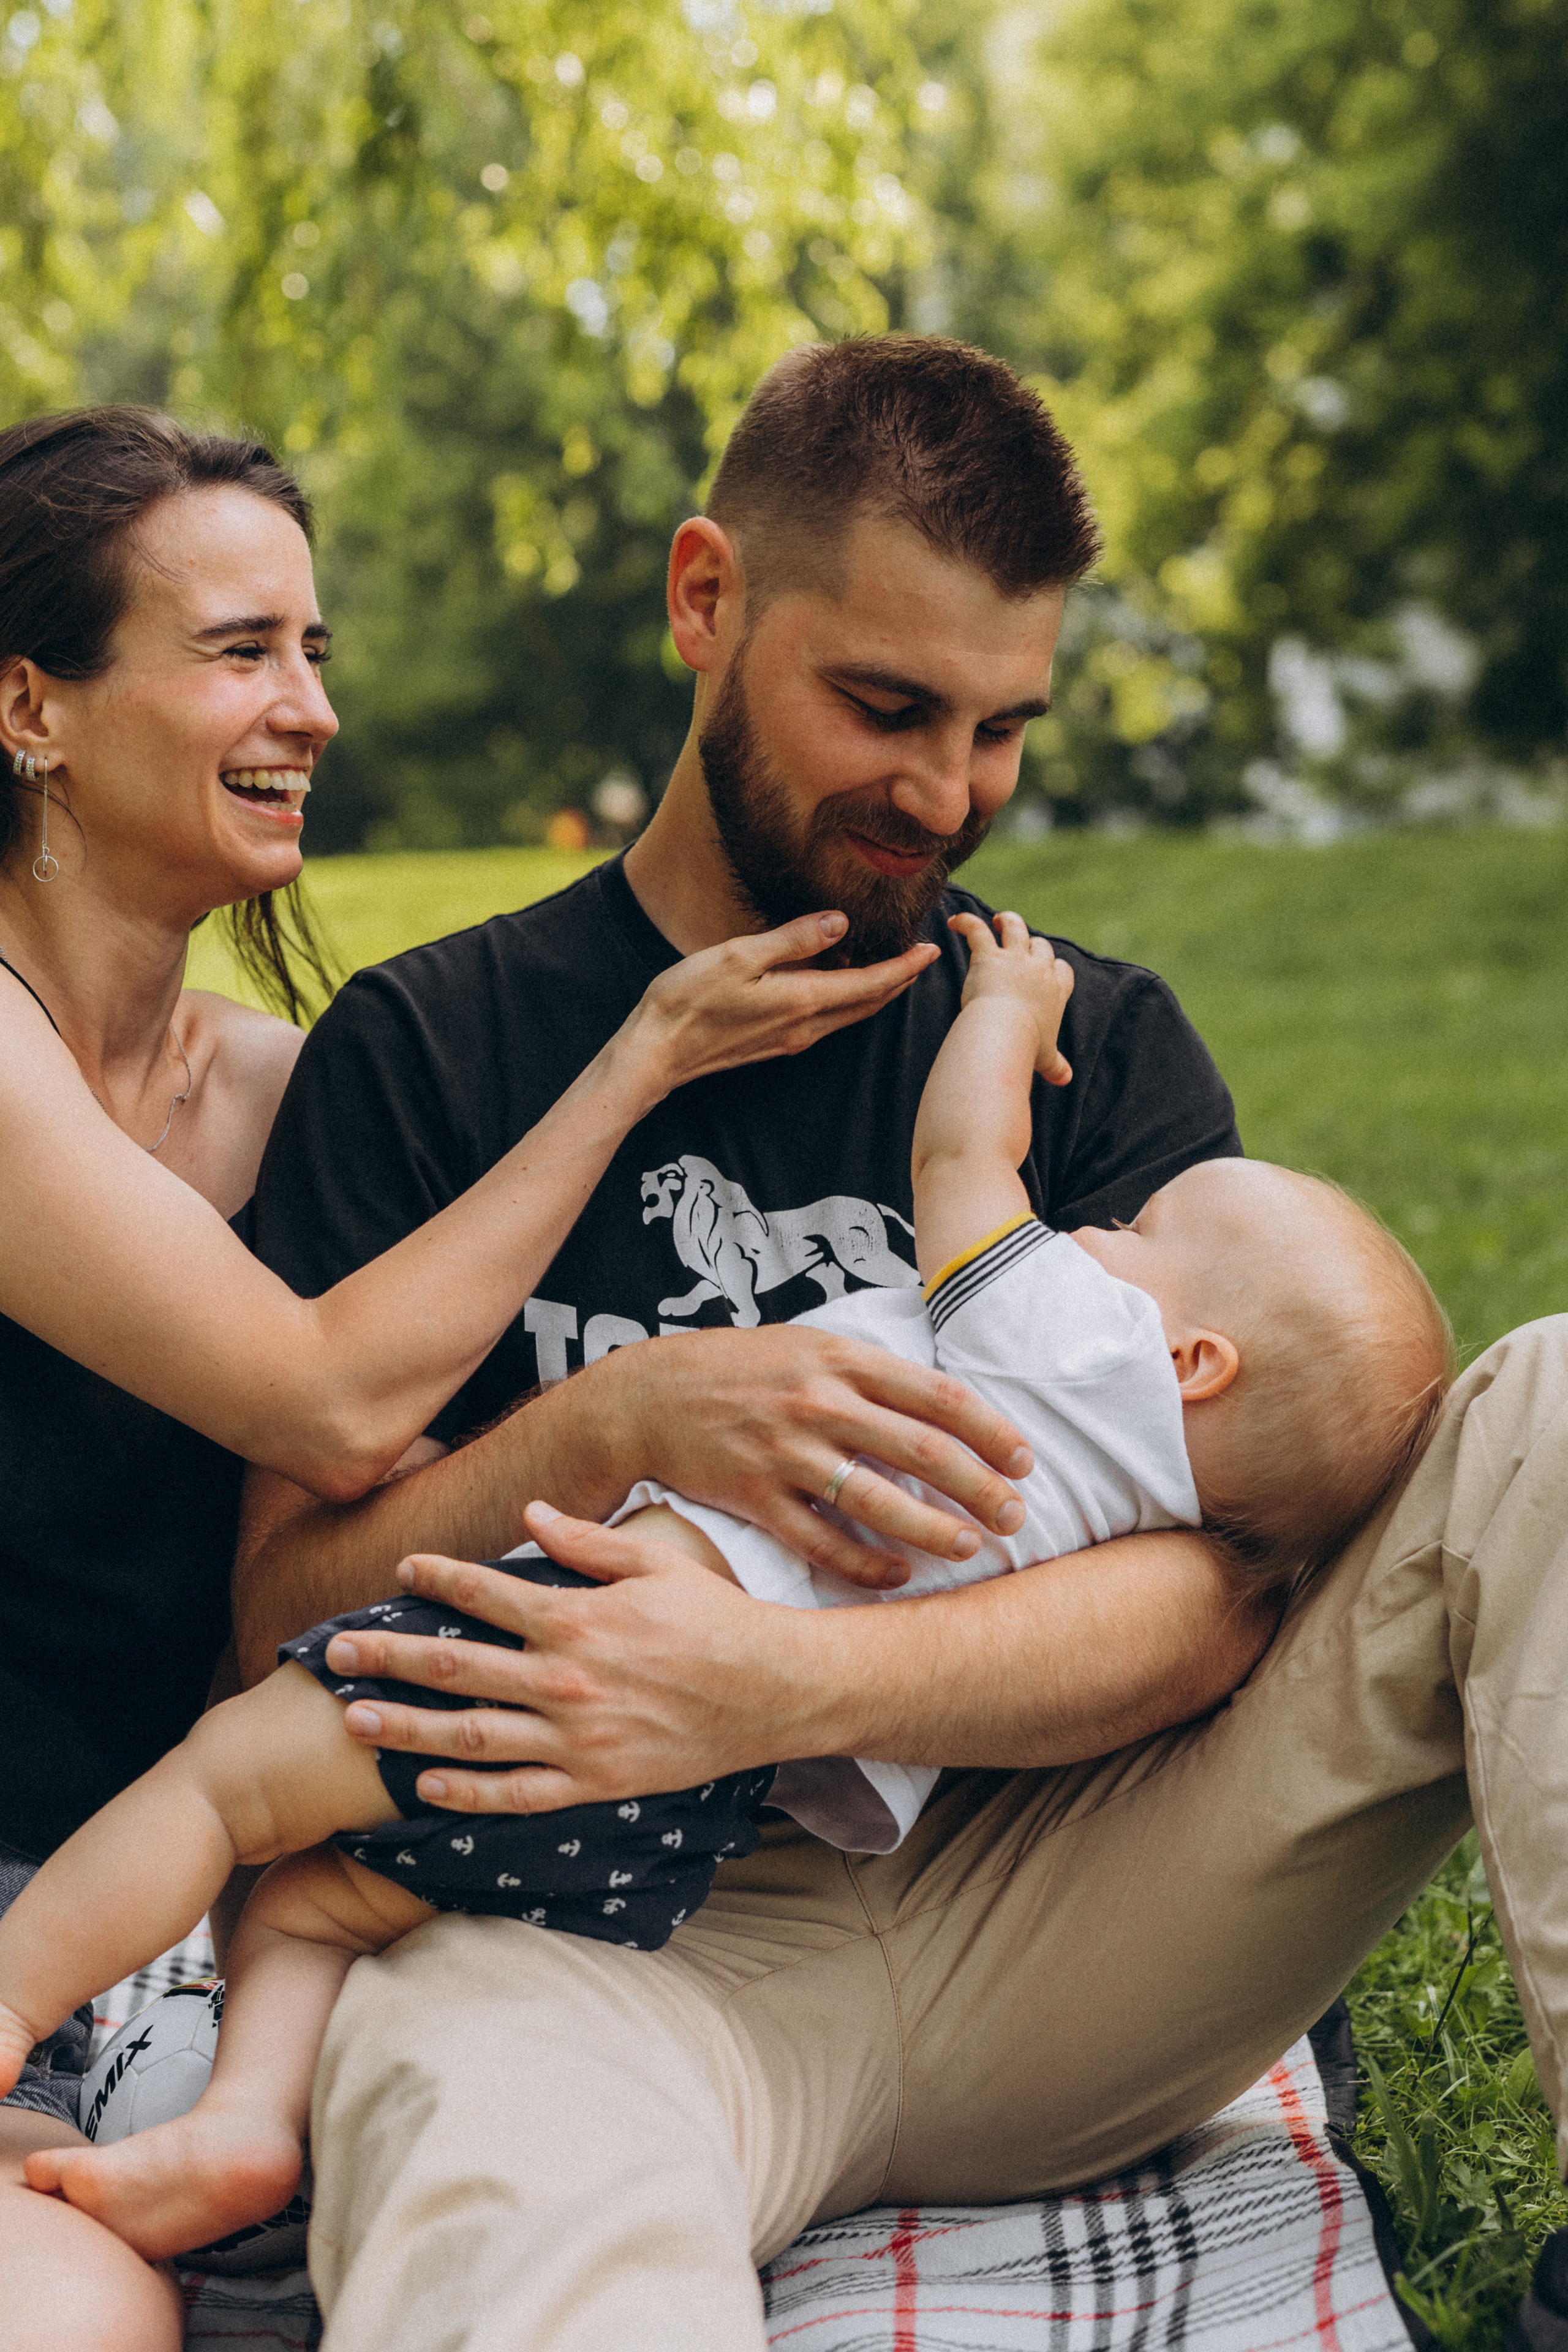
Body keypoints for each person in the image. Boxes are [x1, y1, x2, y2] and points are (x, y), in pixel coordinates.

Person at [229, 336, 1568, 2352]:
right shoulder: (433, 1050)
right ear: (707, 598)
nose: (947, 797)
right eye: (885, 707)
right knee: (505, 2221)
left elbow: (1217, 1605)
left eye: (1001, 727)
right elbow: (274, 1624)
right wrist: (619, 1420)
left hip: (1080, 1899)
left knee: (1553, 1407)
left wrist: (774, 1683)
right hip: (597, 1951)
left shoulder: (1074, 1038)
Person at [0, 402, 1047, 2352]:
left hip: (165, 1903)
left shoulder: (282, 1085)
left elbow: (367, 1521)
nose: (310, 707)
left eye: (315, 648)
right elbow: (331, 1404)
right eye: (239, 651)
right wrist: (638, 1060)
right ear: (29, 708)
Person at [0, 907, 1453, 2269]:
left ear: (1188, 1362)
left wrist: (1004, 1016)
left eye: (1141, 1239)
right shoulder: (1141, 1497)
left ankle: (15, 2001)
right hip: (679, 1812)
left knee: (220, 1790)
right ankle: (247, 2128)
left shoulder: (1069, 1346)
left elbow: (962, 1159)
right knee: (321, 1906)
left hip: (570, 1659)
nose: (1098, 1233)